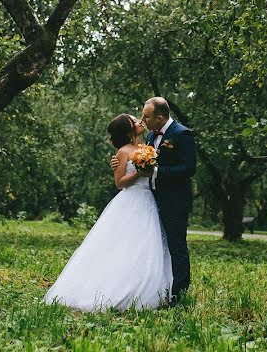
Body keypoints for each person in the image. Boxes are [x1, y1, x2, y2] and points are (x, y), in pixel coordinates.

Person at [43, 114, 173, 311]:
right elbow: (119, 183)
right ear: (129, 131)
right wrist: (140, 170)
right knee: (123, 245)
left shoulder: (147, 146)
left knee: (145, 245)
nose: (140, 121)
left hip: (148, 201)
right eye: (134, 121)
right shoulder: (123, 152)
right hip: (131, 201)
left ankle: (148, 285)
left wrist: (148, 166)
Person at [112, 97, 196, 305]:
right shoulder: (150, 137)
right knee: (155, 247)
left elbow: (188, 168)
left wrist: (156, 171)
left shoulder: (182, 134)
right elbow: (133, 157)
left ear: (160, 118)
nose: (143, 119)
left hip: (175, 200)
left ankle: (179, 295)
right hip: (151, 200)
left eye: (147, 117)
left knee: (176, 246)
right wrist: (118, 160)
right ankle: (155, 289)